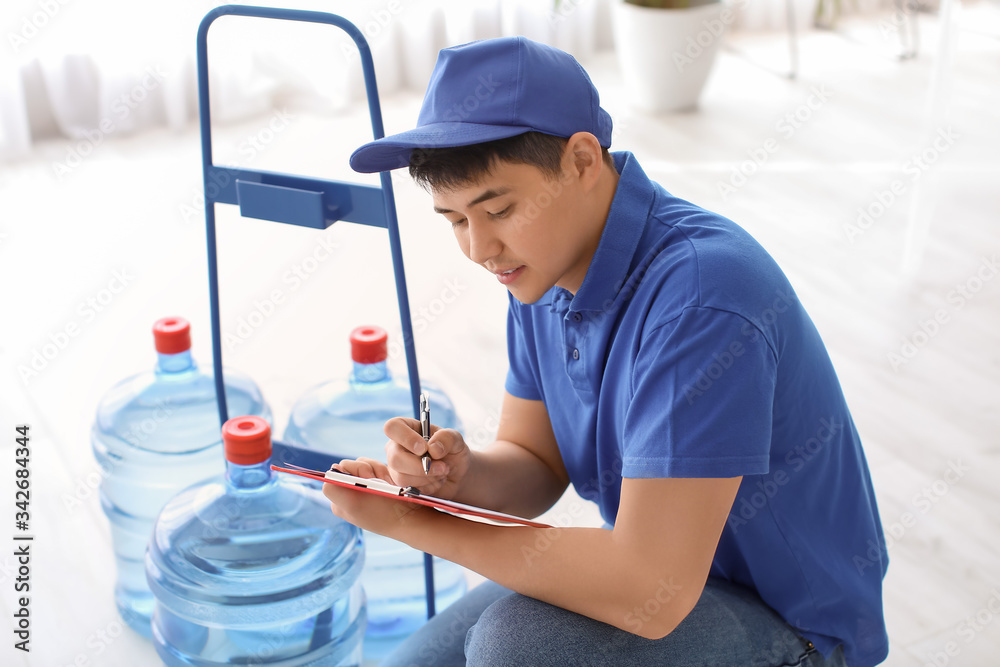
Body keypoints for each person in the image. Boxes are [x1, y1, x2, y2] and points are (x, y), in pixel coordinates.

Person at [325, 36, 889, 667]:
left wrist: (415, 525)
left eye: (500, 209)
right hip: (664, 573)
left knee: (518, 648)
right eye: (455, 220)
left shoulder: (704, 298)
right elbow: (536, 461)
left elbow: (651, 585)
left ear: (583, 159)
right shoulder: (537, 269)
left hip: (790, 624)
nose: (480, 247)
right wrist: (457, 481)